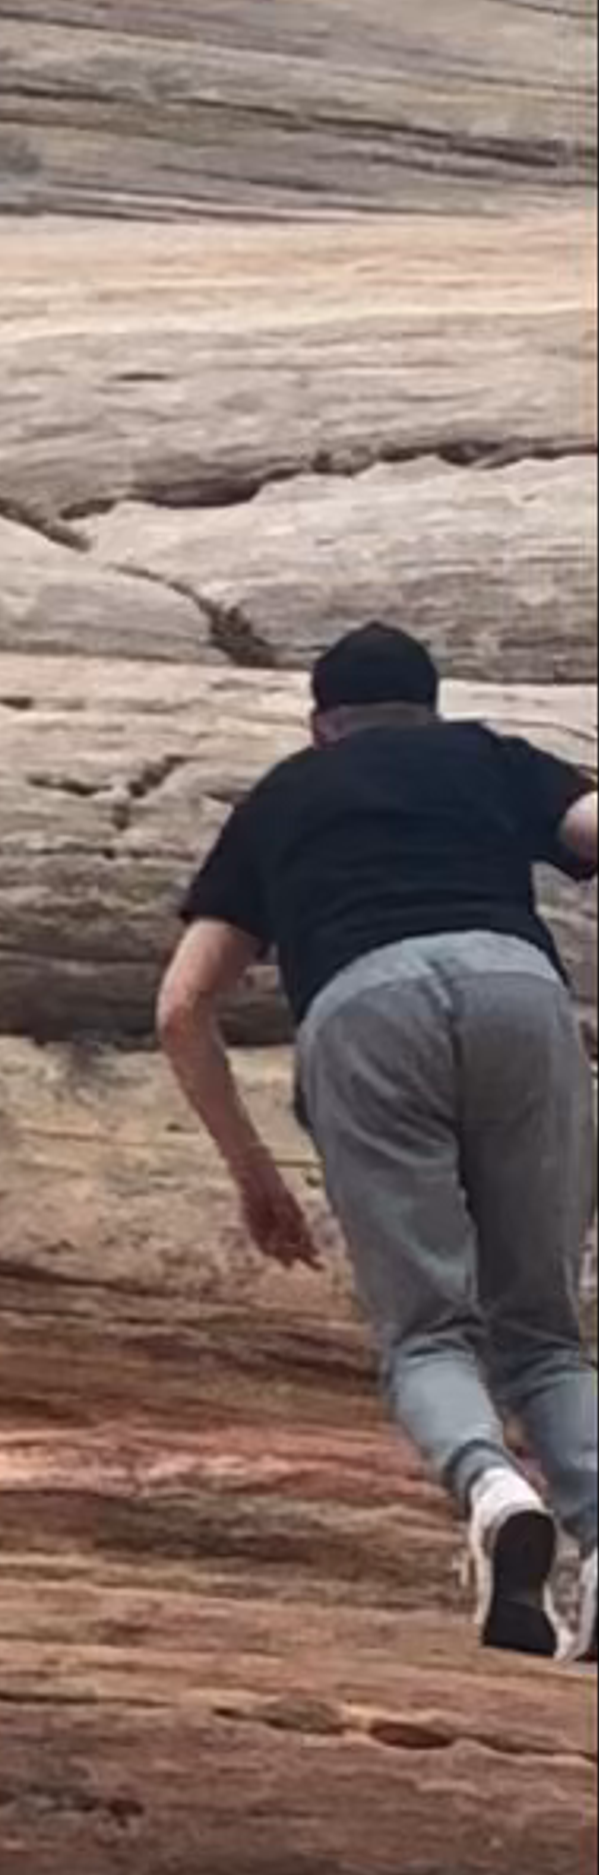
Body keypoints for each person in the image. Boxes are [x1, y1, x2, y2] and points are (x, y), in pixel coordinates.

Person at [154, 622, 598, 1656]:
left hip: (363, 1011)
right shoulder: (490, 756)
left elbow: (182, 1007)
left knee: (428, 1332)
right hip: (516, 992)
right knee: (542, 1332)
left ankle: (492, 1491)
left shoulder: (281, 799)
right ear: (428, 708)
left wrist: (255, 1175)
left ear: (322, 726)